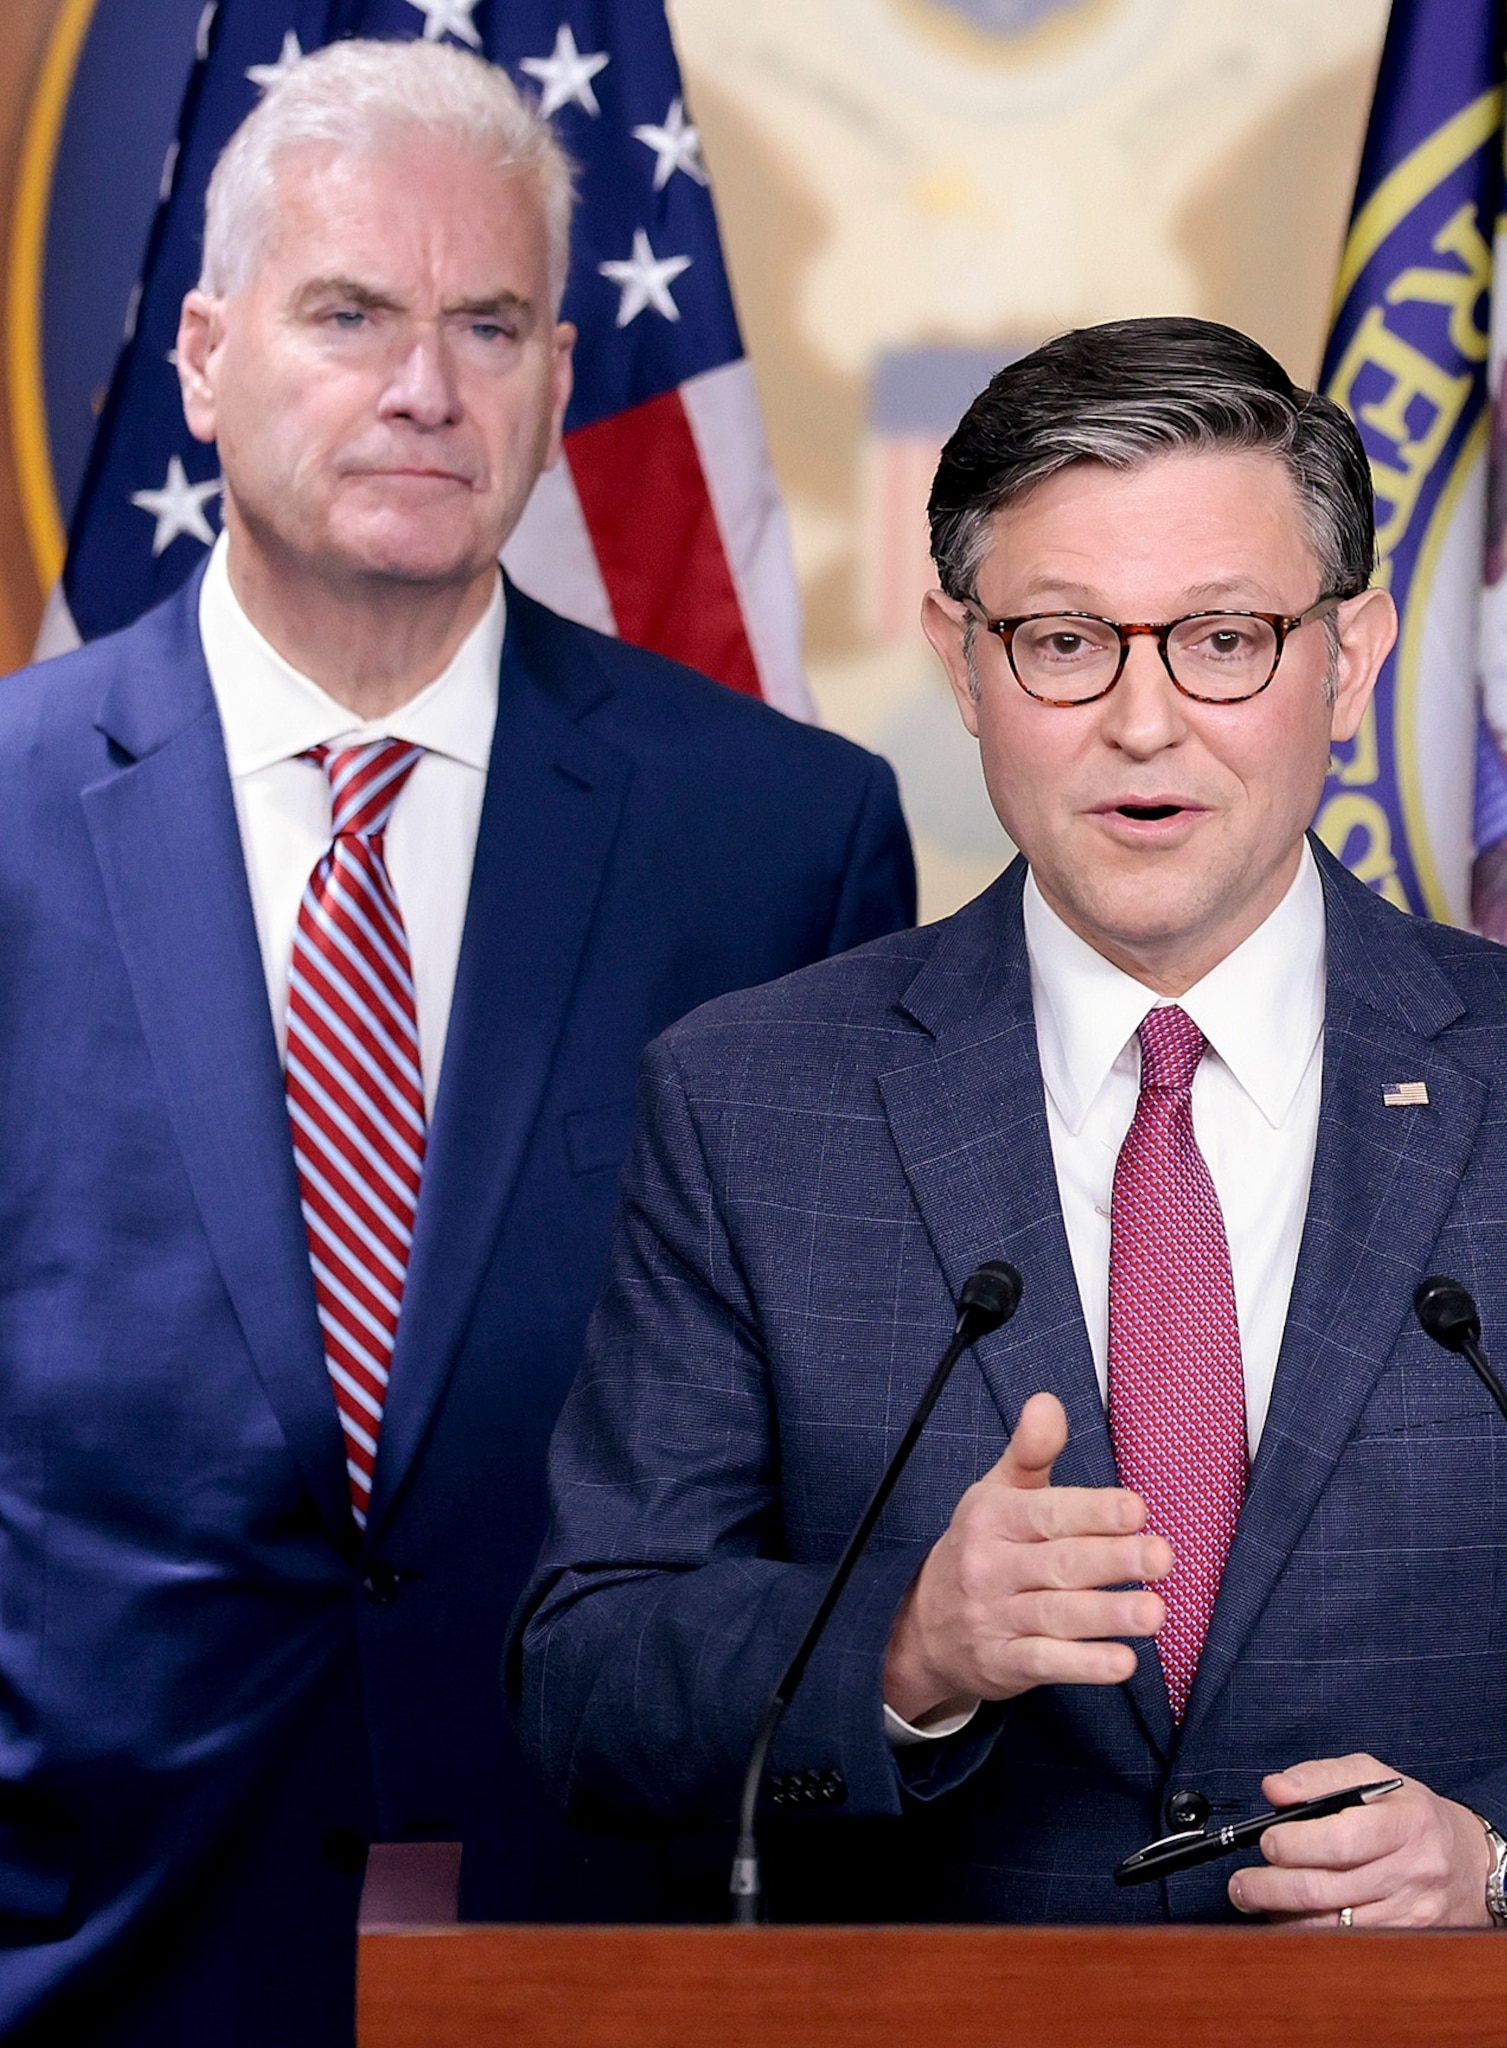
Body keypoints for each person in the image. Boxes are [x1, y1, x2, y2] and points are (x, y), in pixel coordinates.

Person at [512, 315, 1507, 1930]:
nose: (1145, 719)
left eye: (1225, 637)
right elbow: (587, 1673)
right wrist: (901, 1645)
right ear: (964, 664)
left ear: (1349, 662)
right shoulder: (755, 1103)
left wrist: (1506, 1856)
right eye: (1064, 640)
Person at [0, 40, 912, 2044]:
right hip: (93, 1955)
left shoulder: (779, 839)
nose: (426, 387)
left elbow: (852, 1490)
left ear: (556, 376)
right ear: (207, 355)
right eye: (352, 315)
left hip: (610, 1949)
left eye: (487, 323)